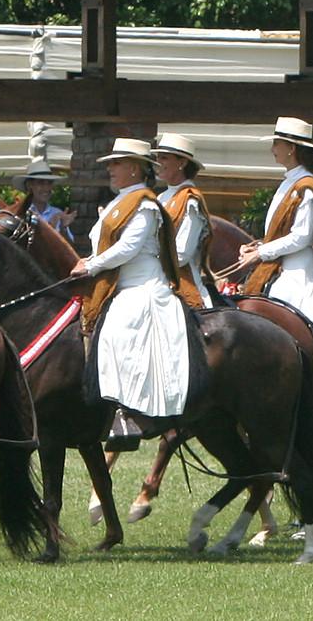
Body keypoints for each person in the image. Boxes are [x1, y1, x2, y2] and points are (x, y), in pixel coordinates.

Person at [68, 138, 192, 451]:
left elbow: (128, 248)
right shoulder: (119, 202)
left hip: (143, 285)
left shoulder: (146, 204)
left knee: (117, 329)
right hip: (117, 283)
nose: (110, 169)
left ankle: (129, 412)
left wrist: (91, 266)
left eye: (116, 163)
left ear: (135, 168)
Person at [236, 118, 313, 392]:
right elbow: (284, 233)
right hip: (281, 264)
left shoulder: (307, 186)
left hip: (299, 271)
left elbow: (302, 237)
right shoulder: (290, 183)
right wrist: (258, 245)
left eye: (277, 143)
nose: (272, 148)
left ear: (291, 149)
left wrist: (261, 252)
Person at [154, 133, 213, 309]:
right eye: (157, 157)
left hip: (181, 279)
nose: (158, 162)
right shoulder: (161, 197)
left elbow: (182, 254)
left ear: (182, 163)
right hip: (156, 273)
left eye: (164, 158)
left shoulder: (191, 200)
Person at [17, 159, 78, 242]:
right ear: (29, 185)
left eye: (49, 183)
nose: (46, 188)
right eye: (41, 183)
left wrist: (63, 228)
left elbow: (69, 247)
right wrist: (50, 228)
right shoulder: (20, 214)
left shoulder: (57, 213)